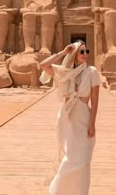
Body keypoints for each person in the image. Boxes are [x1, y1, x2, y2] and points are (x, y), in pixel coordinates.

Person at [40, 40, 100, 195]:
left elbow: (95, 100)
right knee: (70, 158)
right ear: (74, 54)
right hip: (67, 118)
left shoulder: (92, 72)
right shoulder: (64, 72)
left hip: (84, 118)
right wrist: (63, 52)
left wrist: (92, 124)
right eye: (82, 52)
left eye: (87, 51)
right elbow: (43, 66)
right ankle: (58, 191)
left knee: (84, 160)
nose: (85, 54)